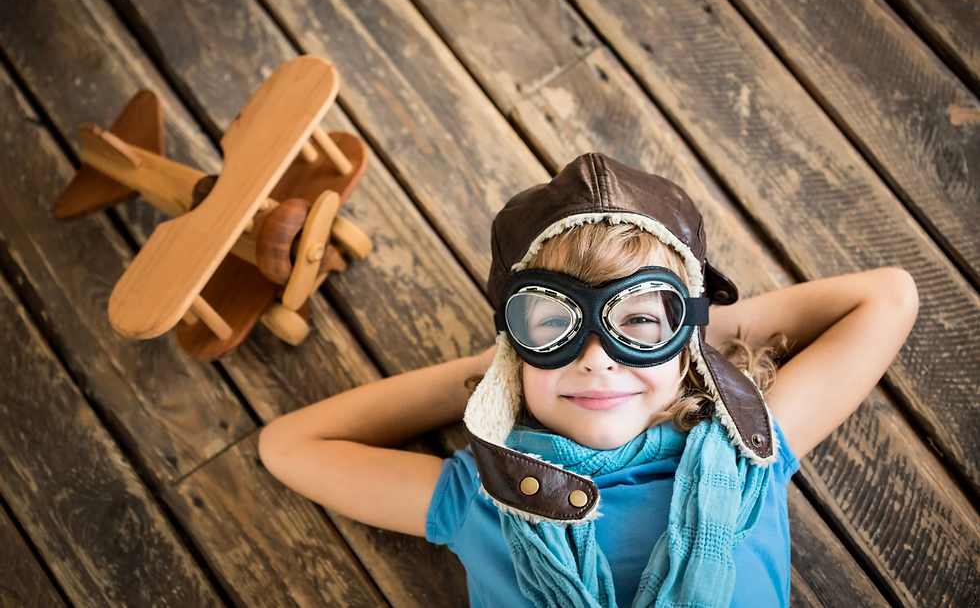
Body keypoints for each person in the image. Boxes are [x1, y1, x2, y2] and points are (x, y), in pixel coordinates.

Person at [257, 153, 919, 607]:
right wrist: (503, 365)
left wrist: (684, 331)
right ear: (512, 345)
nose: (598, 357)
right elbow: (286, 446)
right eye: (550, 326)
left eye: (639, 320)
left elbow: (890, 297)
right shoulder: (480, 495)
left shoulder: (749, 454)